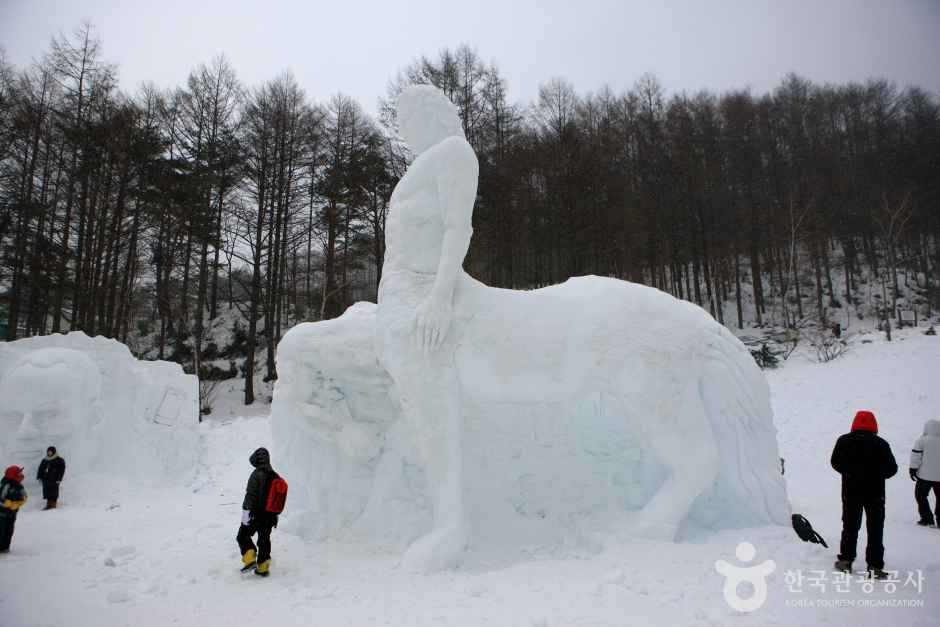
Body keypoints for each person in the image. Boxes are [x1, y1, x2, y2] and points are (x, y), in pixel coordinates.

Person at [830, 410, 898, 578]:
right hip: (875, 493)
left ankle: (846, 561)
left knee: (850, 526)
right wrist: (877, 475)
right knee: (875, 529)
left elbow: (835, 462)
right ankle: (875, 566)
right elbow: (892, 469)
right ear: (874, 425)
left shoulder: (844, 441)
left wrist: (848, 472)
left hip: (850, 491)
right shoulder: (881, 444)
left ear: (855, 423)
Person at [237, 447, 278, 577]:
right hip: (270, 516)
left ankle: (249, 558)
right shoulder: (274, 475)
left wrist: (246, 513)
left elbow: (250, 495)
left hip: (256, 514)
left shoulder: (256, 474)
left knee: (242, 535)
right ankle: (263, 566)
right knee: (264, 539)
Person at [909, 419, 940, 526]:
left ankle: (927, 518)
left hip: (924, 477)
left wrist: (912, 469)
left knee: (920, 496)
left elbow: (916, 456)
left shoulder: (922, 440)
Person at [0, 466, 28, 553]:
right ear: (13, 474)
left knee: (9, 530)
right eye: (19, 473)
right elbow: (1, 499)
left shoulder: (19, 486)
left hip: (12, 513)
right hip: (2, 513)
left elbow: (25, 497)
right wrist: (8, 503)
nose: (21, 474)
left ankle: (5, 547)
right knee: (1, 530)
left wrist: (16, 504)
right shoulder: (6, 485)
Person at [36, 446, 66, 510]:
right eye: (48, 452)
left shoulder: (59, 460)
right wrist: (39, 477)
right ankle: (48, 505)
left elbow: (61, 470)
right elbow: (40, 468)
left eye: (50, 452)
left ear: (54, 452)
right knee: (47, 492)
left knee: (54, 492)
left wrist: (59, 479)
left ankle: (53, 505)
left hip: (54, 479)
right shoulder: (45, 460)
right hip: (46, 480)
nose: (49, 453)